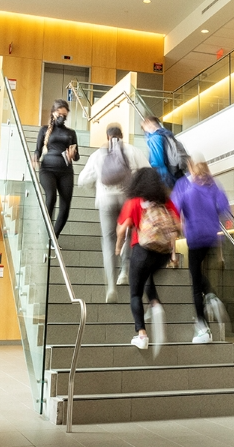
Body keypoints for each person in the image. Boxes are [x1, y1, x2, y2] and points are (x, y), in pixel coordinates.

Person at [78, 123, 149, 302]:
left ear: (107, 136)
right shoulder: (133, 151)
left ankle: (111, 287)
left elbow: (82, 180)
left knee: (109, 241)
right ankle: (124, 271)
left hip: (106, 201)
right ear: (122, 135)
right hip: (127, 200)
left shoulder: (98, 154)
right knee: (128, 234)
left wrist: (96, 191)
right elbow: (148, 174)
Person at [115, 168, 181, 354]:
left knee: (135, 292)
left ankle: (142, 335)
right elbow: (177, 227)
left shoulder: (134, 201)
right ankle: (155, 304)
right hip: (162, 253)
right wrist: (174, 254)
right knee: (148, 275)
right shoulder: (166, 201)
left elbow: (122, 230)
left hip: (142, 250)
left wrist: (118, 247)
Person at [169, 157, 230, 343]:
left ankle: (203, 327)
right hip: (212, 237)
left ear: (192, 170)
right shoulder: (214, 186)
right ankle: (211, 297)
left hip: (195, 237)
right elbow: (225, 208)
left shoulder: (185, 186)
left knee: (195, 281)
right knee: (200, 271)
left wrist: (173, 245)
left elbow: (174, 211)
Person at [33, 99, 78, 236]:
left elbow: (77, 156)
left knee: (65, 205)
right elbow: (38, 150)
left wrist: (73, 154)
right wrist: (35, 158)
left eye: (64, 115)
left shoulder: (71, 133)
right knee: (51, 196)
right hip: (47, 169)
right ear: (53, 113)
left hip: (66, 171)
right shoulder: (44, 130)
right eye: (59, 114)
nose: (62, 117)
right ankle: (45, 229)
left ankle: (54, 235)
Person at [141, 116, 177, 189]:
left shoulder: (154, 138)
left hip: (163, 175)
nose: (144, 130)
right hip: (174, 173)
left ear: (148, 122)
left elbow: (157, 161)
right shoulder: (167, 134)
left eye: (143, 127)